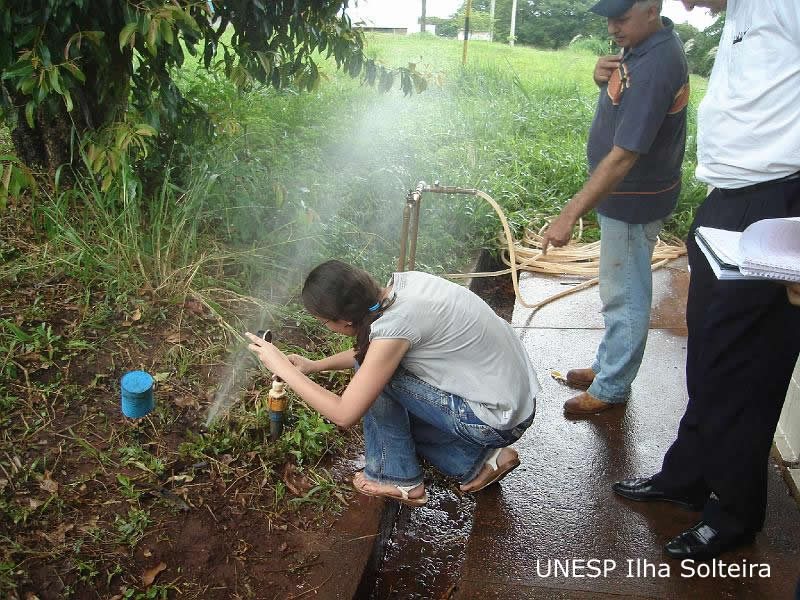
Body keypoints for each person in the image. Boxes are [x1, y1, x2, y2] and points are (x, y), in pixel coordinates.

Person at [613, 0, 800, 560]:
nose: (686, 4)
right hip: (731, 203)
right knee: (709, 357)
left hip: (777, 201)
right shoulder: (743, 14)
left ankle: (735, 512)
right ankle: (689, 475)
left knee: (745, 369)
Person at [246, 260, 539, 506]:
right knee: (377, 380)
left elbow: (345, 413)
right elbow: (378, 348)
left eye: (324, 323)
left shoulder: (395, 326)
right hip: (511, 400)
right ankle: (479, 462)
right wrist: (314, 366)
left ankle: (397, 478)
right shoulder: (404, 287)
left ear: (345, 321)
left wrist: (284, 368)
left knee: (372, 380)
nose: (328, 328)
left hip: (496, 418)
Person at [541, 0, 690, 416]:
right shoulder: (642, 46)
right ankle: (609, 366)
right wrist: (600, 79)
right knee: (617, 289)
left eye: (620, 18)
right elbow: (627, 99)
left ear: (651, 9)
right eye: (608, 18)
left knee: (624, 295)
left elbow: (625, 155)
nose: (612, 28)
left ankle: (612, 387)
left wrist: (570, 213)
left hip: (633, 197)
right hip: (627, 195)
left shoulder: (657, 63)